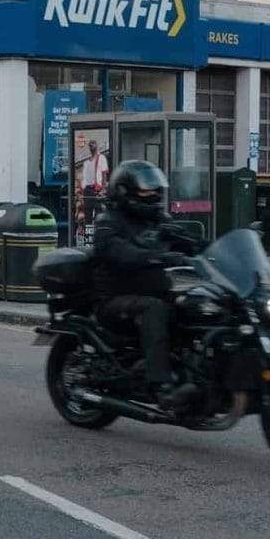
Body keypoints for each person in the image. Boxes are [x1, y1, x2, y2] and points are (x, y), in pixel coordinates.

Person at [89, 160, 199, 412]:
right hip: (114, 301)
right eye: (146, 191)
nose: (153, 196)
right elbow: (118, 251)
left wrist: (207, 248)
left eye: (155, 191)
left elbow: (181, 237)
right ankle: (160, 384)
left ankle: (191, 372)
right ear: (126, 192)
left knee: (197, 305)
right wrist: (157, 257)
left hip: (154, 292)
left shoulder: (157, 219)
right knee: (155, 309)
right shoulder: (109, 221)